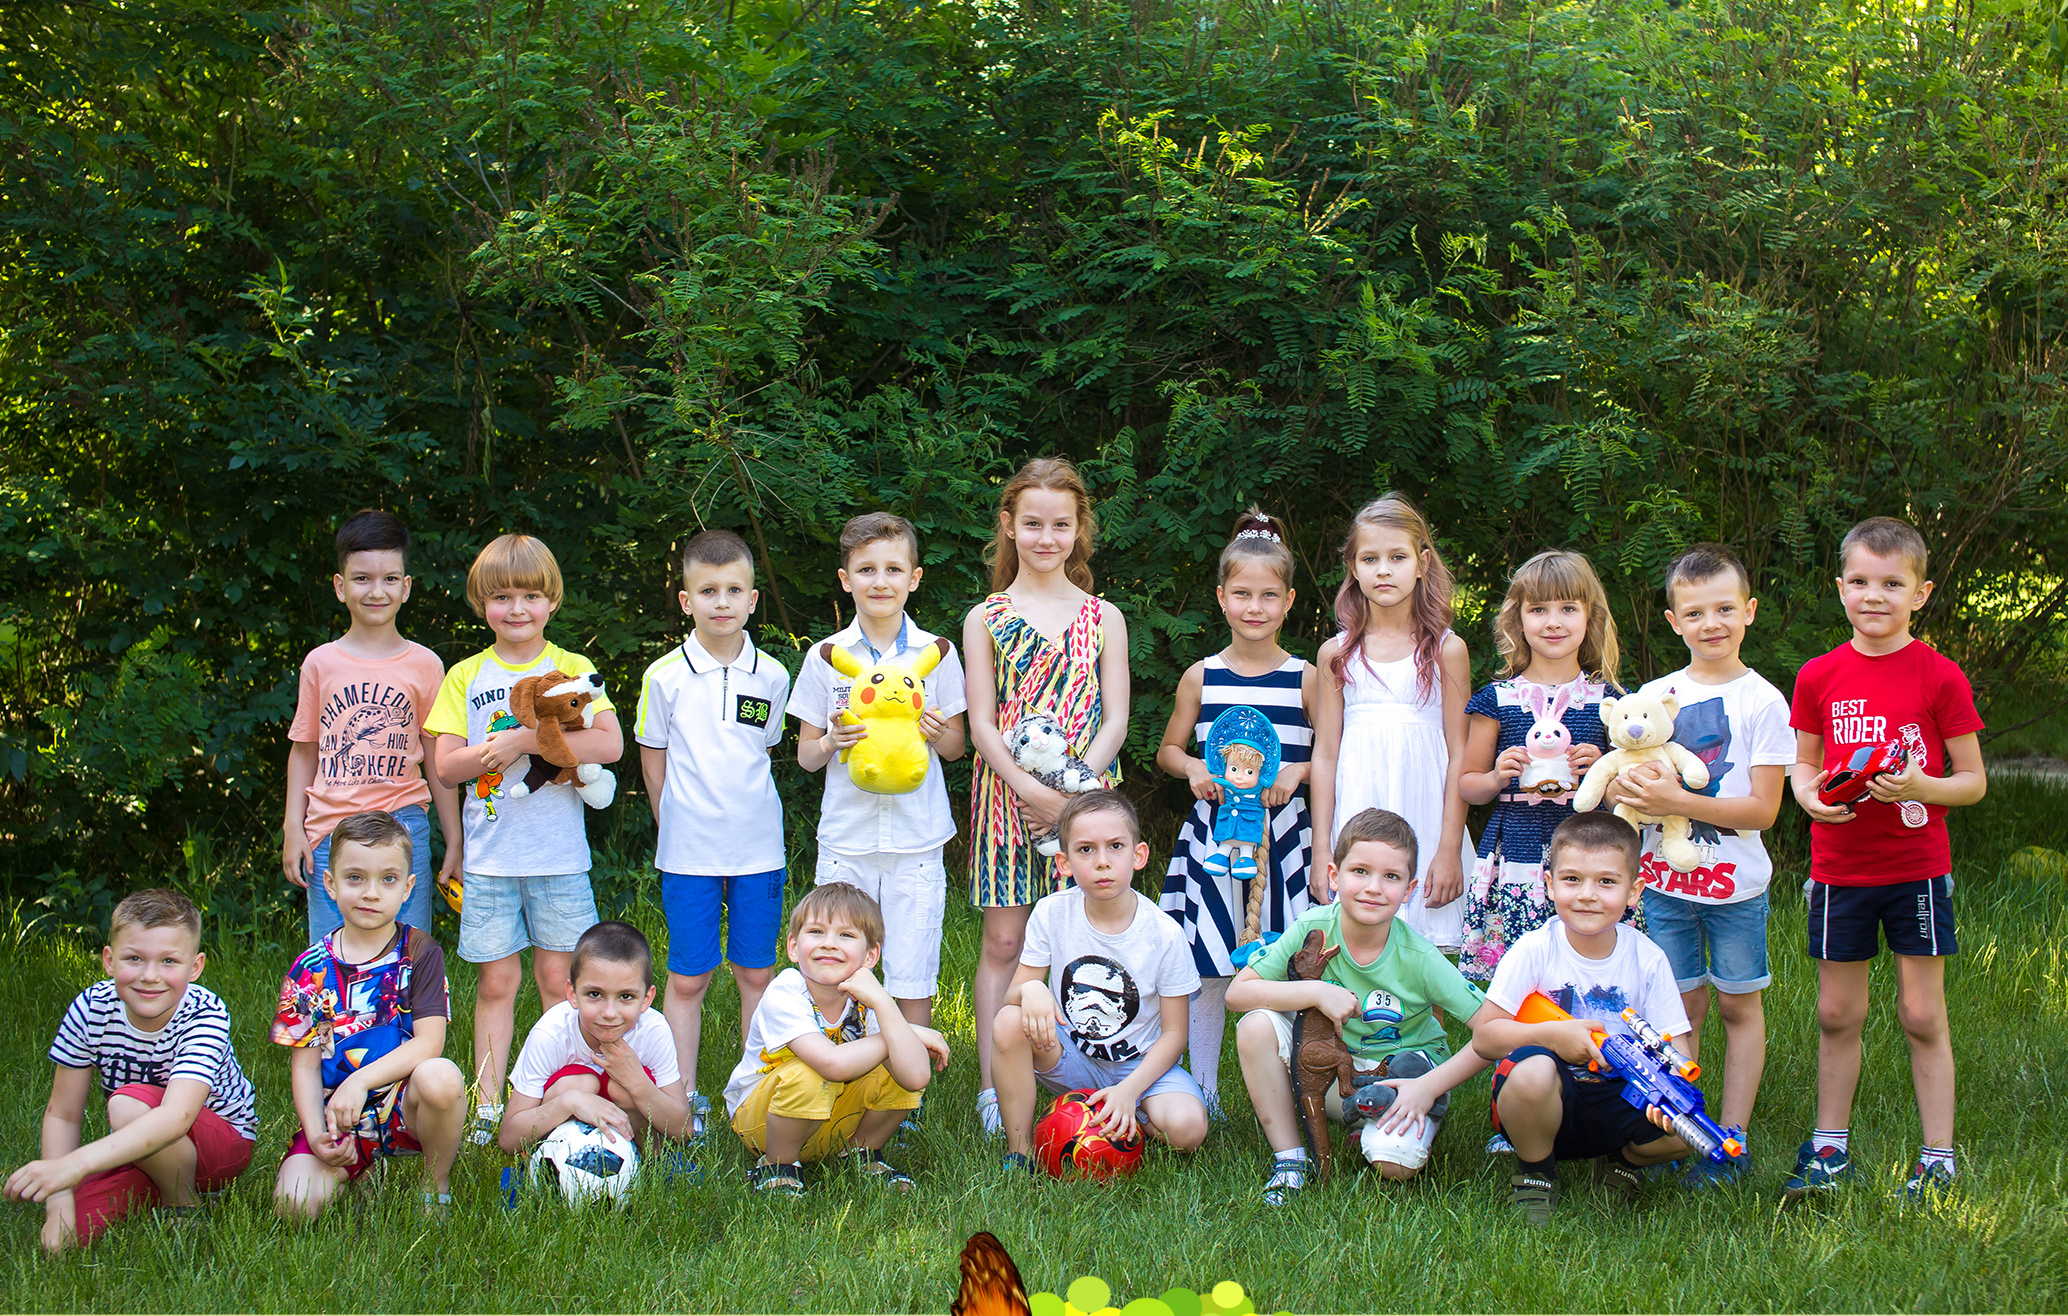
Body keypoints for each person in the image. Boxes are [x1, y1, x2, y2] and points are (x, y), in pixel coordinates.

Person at [1784, 516, 1985, 1202]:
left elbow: (1973, 780)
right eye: (1861, 582)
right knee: (1837, 1013)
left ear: (1920, 593)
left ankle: (1937, 1156)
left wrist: (1922, 786)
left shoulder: (1940, 675)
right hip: (1840, 870)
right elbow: (1803, 765)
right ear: (1841, 589)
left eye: (1892, 583)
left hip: (1917, 870)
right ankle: (1829, 1147)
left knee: (1921, 1014)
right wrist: (1810, 799)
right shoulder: (1819, 675)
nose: (1875, 596)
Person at [1603, 543, 1790, 1188]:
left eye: (1725, 609)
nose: (1712, 623)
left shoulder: (1765, 703)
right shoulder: (1656, 697)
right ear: (1673, 620)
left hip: (1737, 887)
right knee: (1679, 1012)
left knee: (1739, 1008)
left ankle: (1729, 1139)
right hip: (1663, 884)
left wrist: (1678, 799)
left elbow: (1763, 811)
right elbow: (1627, 782)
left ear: (1749, 612)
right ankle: (1681, 1132)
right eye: (1696, 612)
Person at [427, 533, 622, 1144]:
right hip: (490, 862)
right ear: (482, 603)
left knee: (557, 980)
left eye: (531, 596)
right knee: (495, 982)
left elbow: (609, 745)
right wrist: (498, 746)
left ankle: (560, 1085)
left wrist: (527, 742)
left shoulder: (571, 671)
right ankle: (488, 1105)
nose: (517, 609)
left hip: (560, 858)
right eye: (502, 597)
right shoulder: (465, 675)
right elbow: (446, 766)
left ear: (552, 601)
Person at [963, 458, 1130, 1136]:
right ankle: (992, 1084)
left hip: (1087, 801)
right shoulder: (987, 617)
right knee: (1006, 941)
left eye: (1060, 525)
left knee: (1088, 938)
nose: (1044, 537)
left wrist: (1075, 797)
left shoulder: (1103, 616)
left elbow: (1116, 716)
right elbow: (980, 719)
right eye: (1031, 523)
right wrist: (1031, 787)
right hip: (1007, 793)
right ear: (1009, 525)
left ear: (1078, 530)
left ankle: (1082, 1073)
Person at [1227, 809, 1499, 1204]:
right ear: (1334, 876)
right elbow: (1238, 994)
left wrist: (1429, 1087)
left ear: (1409, 889)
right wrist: (1316, 992)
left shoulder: (1419, 956)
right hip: (1334, 1071)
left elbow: (1494, 1029)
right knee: (1255, 1025)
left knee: (1395, 1165)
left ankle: (1386, 1125)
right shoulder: (1313, 927)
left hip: (1399, 1081)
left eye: (1391, 877)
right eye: (1360, 872)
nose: (1373, 887)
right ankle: (1291, 1159)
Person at [1156, 505, 1316, 1108]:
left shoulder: (1305, 678)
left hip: (1284, 841)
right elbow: (1169, 748)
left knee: (1287, 960)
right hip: (1216, 840)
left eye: (1269, 595)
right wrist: (1194, 766)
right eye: (1243, 594)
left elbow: (1330, 753)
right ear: (1221, 598)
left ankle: (1290, 1083)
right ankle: (1203, 1090)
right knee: (1208, 959)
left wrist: (1299, 768)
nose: (1255, 607)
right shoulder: (1202, 676)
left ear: (1290, 600)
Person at [636, 529, 793, 1140]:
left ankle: (752, 1087)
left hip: (758, 848)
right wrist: (670, 820)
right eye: (708, 591)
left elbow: (764, 749)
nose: (721, 602)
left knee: (756, 973)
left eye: (734, 590)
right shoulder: (663, 676)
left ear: (753, 600)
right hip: (688, 851)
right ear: (685, 600)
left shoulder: (773, 674)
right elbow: (655, 760)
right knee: (688, 977)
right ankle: (684, 1095)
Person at [790, 512, 969, 1040]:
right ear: (846, 579)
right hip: (848, 837)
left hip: (918, 835)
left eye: (893, 569)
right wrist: (829, 741)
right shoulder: (825, 657)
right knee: (838, 964)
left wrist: (938, 733)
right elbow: (805, 756)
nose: (880, 581)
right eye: (866, 570)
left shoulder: (937, 653)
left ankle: (907, 1092)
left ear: (914, 577)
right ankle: (844, 1074)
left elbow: (957, 748)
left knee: (912, 968)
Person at [1474, 812, 1696, 1225]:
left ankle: (1622, 1161)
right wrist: (1555, 1036)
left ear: (1635, 892)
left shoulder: (1647, 957)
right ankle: (1536, 1174)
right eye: (1572, 879)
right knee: (1533, 1072)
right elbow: (1485, 1037)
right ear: (1549, 884)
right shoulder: (1534, 948)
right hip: (1549, 1098)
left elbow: (1679, 1049)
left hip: (1622, 1096)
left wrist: (1668, 1090)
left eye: (1607, 882)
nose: (1588, 895)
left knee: (1689, 1128)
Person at [5, 889, 257, 1252]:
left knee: (127, 1104)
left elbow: (176, 1118)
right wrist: (57, 1202)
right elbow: (62, 1113)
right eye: (134, 958)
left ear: (195, 966)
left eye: (169, 961)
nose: (150, 976)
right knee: (63, 1241)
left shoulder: (204, 1012)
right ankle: (152, 1182)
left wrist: (75, 1164)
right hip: (137, 1144)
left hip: (220, 1145)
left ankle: (181, 1204)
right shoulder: (91, 1009)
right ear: (109, 960)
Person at [993, 791, 1209, 1169]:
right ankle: (1021, 1151)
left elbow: (1175, 1035)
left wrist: (1129, 1091)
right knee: (1009, 1021)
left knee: (1188, 1129)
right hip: (1069, 1055)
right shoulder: (1052, 912)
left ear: (1138, 855)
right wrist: (1032, 989)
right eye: (1086, 850)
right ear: (1063, 862)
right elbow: (1014, 994)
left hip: (1138, 1067)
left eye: (1115, 846)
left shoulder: (1164, 934)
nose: (1103, 862)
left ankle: (1127, 1114)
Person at [271, 812, 467, 1219]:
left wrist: (359, 1081)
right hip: (338, 1117)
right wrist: (317, 1134)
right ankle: (355, 1170)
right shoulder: (311, 968)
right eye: (355, 877)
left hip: (404, 1107)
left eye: (388, 879)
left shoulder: (421, 952)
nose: (371, 893)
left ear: (409, 887)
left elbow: (430, 1043)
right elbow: (306, 1067)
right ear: (330, 883)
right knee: (294, 1206)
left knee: (442, 1076)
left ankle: (435, 1185)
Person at [282, 508, 462, 941]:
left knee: (406, 955)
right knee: (331, 958)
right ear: (340, 587)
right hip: (331, 831)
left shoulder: (425, 665)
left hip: (403, 828)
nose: (376, 591)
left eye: (389, 579)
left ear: (406, 587)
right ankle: (334, 1015)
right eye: (362, 578)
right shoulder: (321, 664)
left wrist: (454, 838)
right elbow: (304, 748)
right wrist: (293, 827)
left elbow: (439, 758)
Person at [1309, 493, 1475, 950]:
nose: (1383, 570)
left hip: (1426, 814)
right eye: (1370, 558)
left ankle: (1427, 1027)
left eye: (1397, 557)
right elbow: (1324, 754)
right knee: (1350, 951)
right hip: (1358, 807)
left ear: (1422, 563)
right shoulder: (1336, 655)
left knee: (1427, 959)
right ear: (1353, 567)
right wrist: (1322, 845)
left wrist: (1448, 847)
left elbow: (1459, 752)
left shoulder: (1446, 649)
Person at [1457, 549, 1622, 985]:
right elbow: (1468, 787)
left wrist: (1604, 772)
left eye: (1568, 608)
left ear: (1590, 616)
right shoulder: (1497, 698)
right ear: (1518, 619)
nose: (1553, 622)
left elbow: (1627, 795)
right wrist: (1495, 775)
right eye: (1539, 609)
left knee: (1587, 970)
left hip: (1590, 850)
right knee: (1520, 978)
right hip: (1517, 851)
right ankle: (1516, 1048)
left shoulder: (1610, 701)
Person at [722, 883, 951, 1196]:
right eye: (816, 932)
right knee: (809, 1073)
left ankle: (860, 1153)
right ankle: (777, 1167)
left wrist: (884, 1003)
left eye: (846, 935)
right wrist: (901, 1035)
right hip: (763, 1121)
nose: (829, 944)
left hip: (827, 1115)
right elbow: (832, 1065)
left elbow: (915, 1077)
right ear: (792, 946)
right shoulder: (786, 989)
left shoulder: (869, 997)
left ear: (871, 955)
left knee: (898, 1064)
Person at [499, 921, 693, 1151]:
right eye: (595, 994)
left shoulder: (653, 1030)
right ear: (572, 993)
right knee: (577, 1085)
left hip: (636, 1134)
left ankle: (644, 1162)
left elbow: (685, 1131)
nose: (609, 1013)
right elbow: (509, 1139)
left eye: (626, 996)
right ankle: (557, 1161)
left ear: (647, 999)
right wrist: (569, 1102)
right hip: (566, 1133)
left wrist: (638, 1082)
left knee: (622, 1088)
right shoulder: (551, 1033)